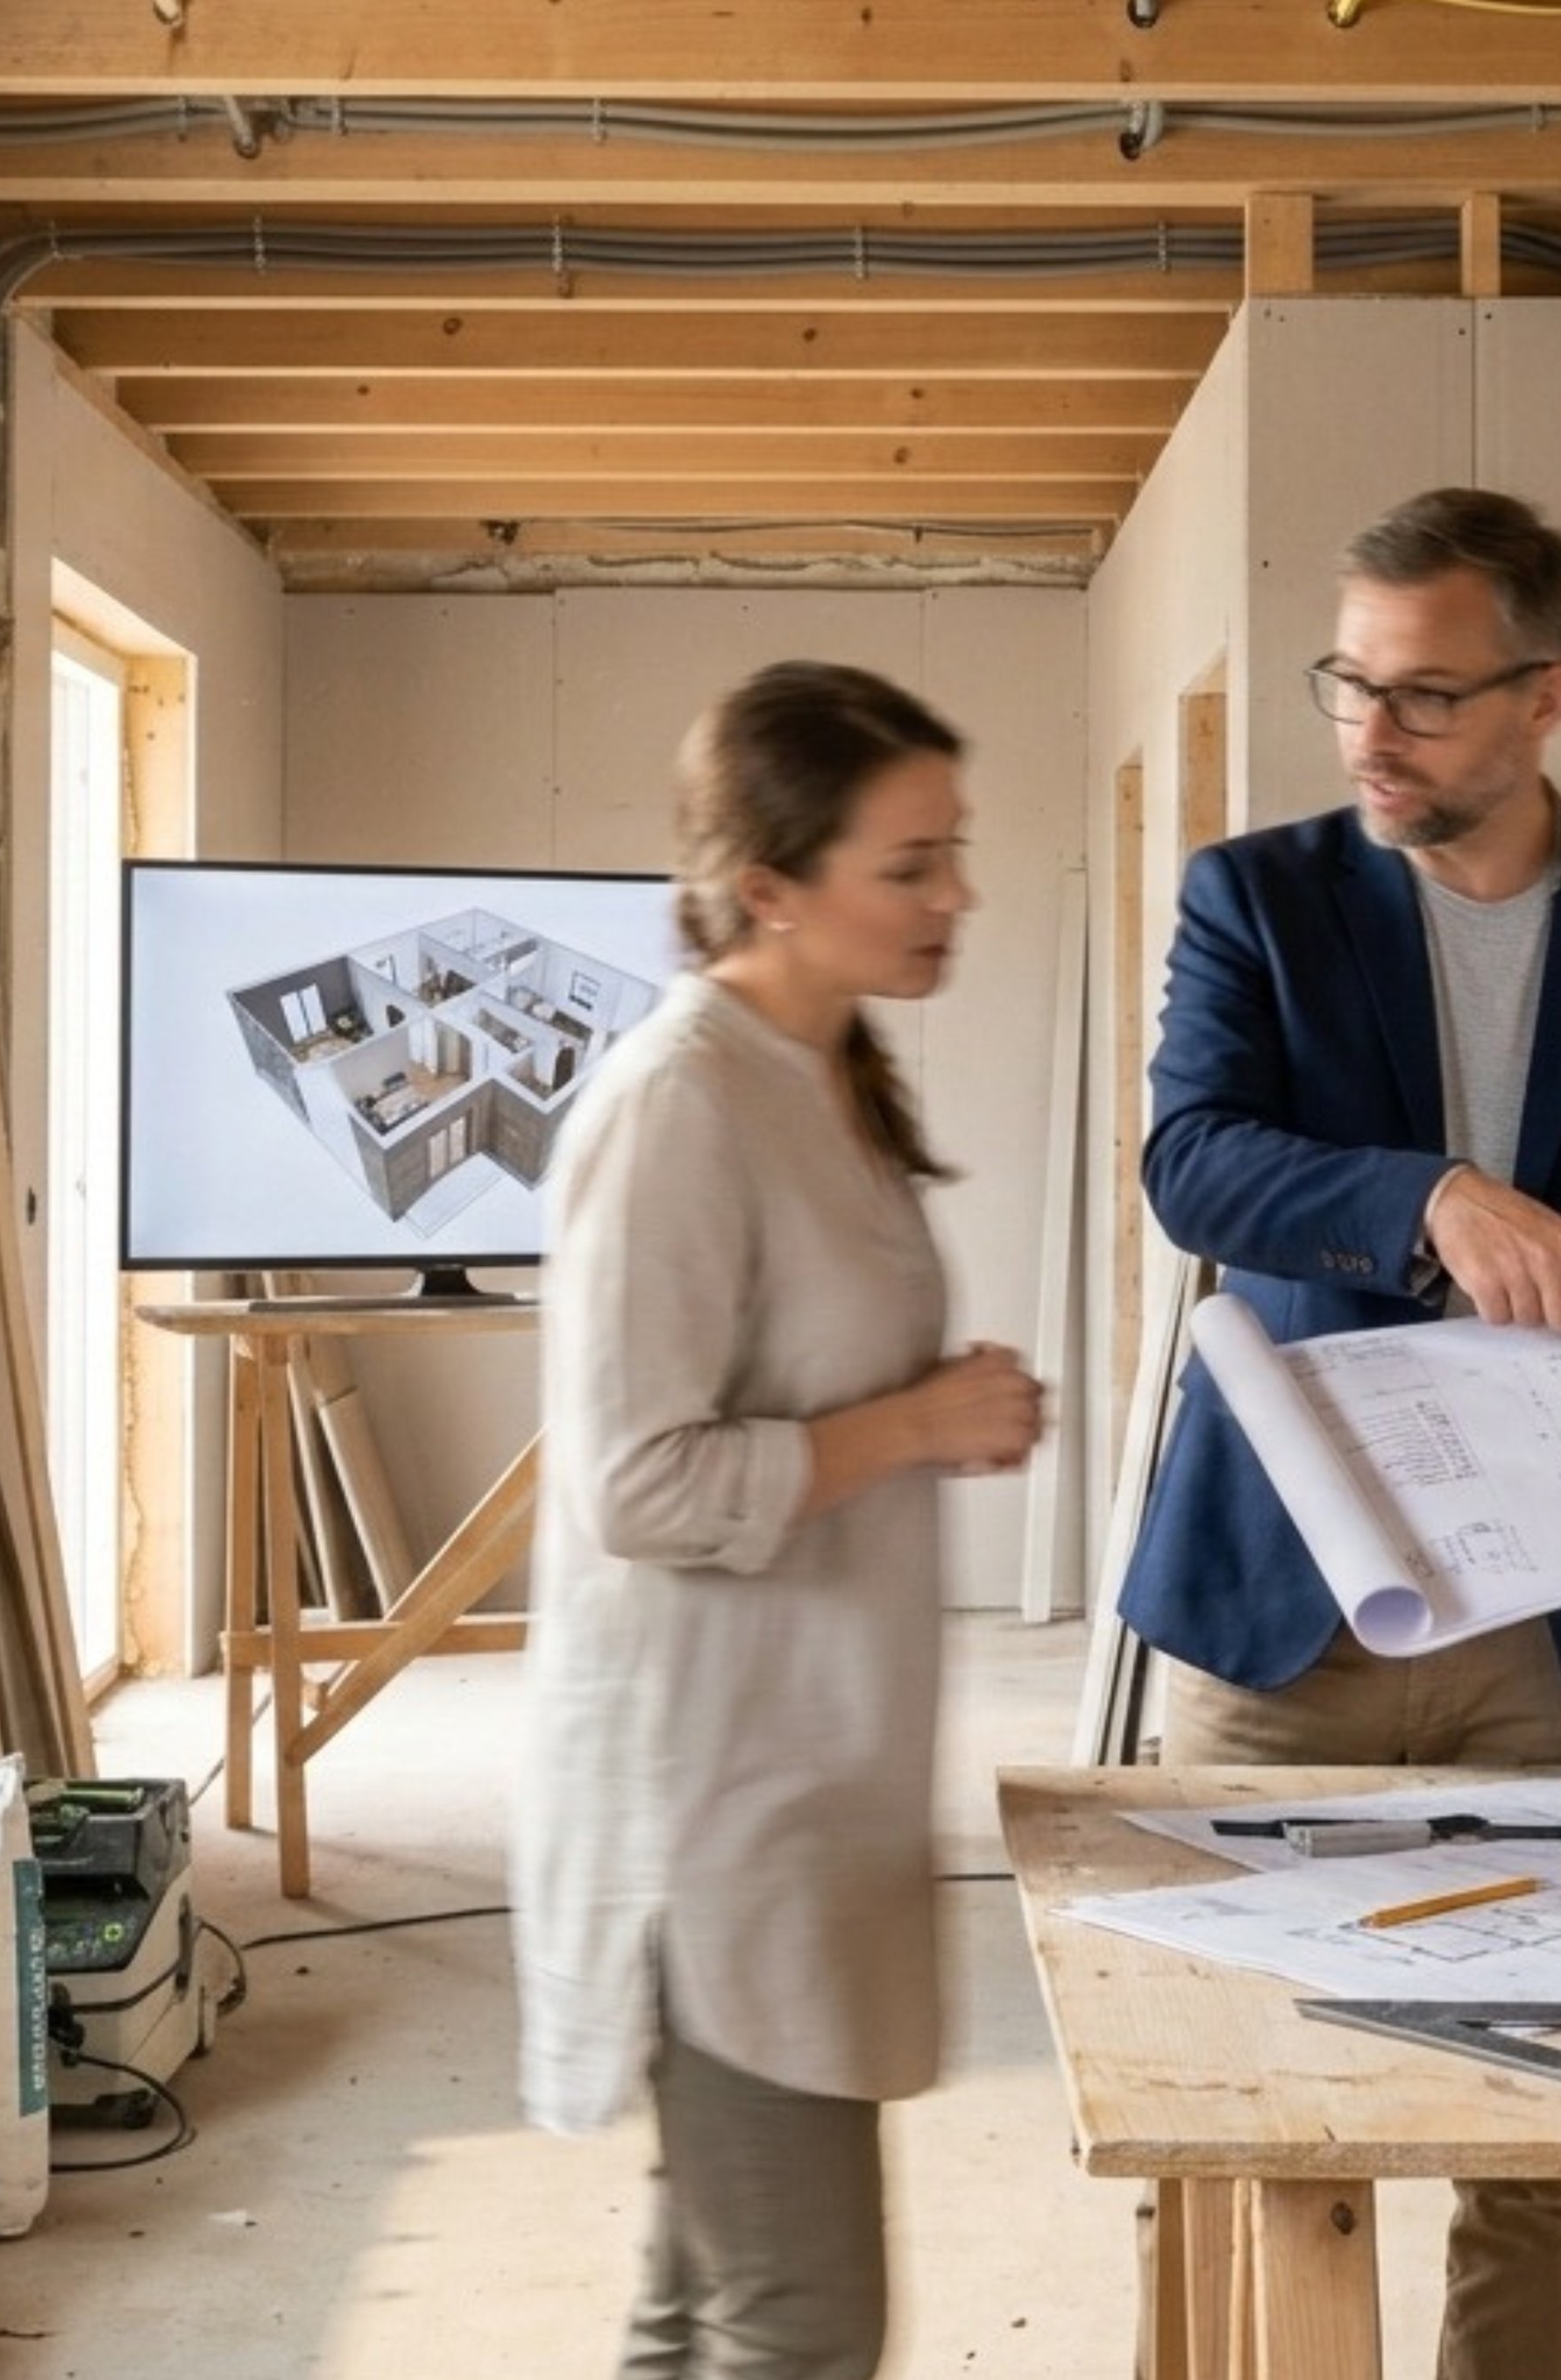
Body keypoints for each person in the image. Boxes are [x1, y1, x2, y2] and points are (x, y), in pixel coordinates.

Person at [513, 658, 1046, 2380]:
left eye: (952, 849)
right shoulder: (679, 1101)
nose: (956, 892)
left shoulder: (827, 1072)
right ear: (769, 886)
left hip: (815, 1778)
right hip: (715, 1806)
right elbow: (638, 1481)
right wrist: (911, 1419)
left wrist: (920, 1419)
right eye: (909, 863)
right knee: (801, 2321)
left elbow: (801, 1392)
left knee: (707, 2306)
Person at [1118, 485, 1561, 2380]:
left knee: (1543, 2150)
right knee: (1228, 2112)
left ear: (1545, 696)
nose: (1370, 736)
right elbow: (1190, 1157)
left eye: (1425, 698)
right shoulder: (1259, 892)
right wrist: (1428, 1189)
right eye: (1347, 687)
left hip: (1537, 1634)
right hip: (1285, 1614)